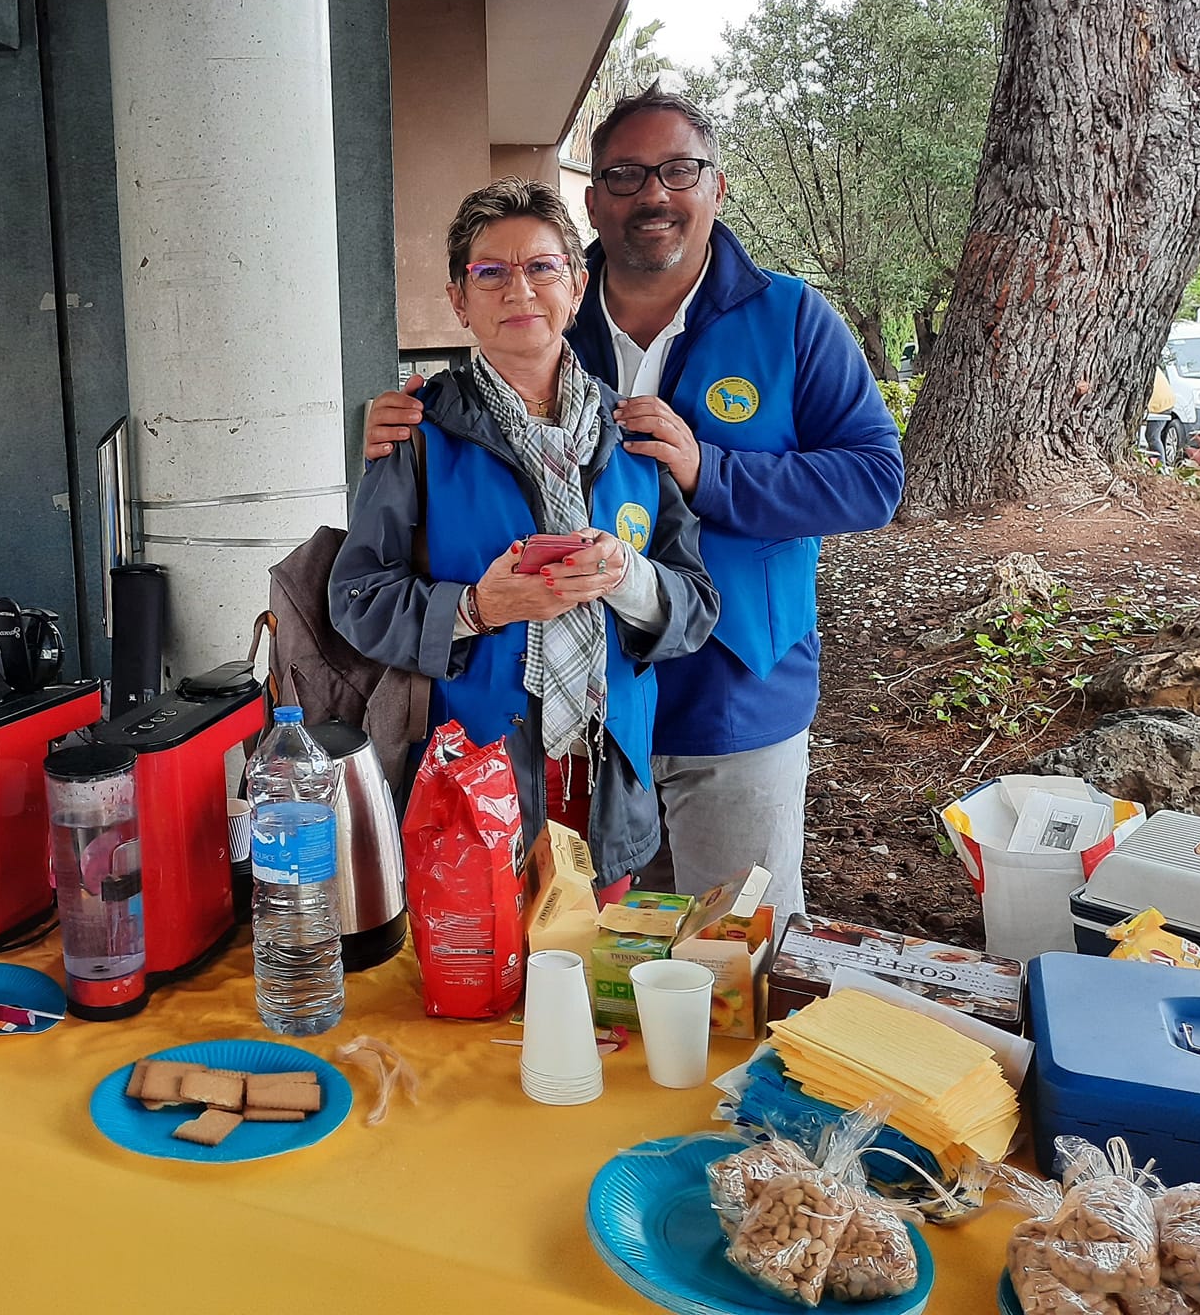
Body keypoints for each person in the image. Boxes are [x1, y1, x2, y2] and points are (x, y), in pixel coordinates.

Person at [364, 87, 902, 916]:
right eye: (624, 174)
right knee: (604, 958)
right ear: (593, 200)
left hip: (733, 692)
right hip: (566, 718)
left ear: (715, 187)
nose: (653, 193)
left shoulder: (790, 318)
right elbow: (398, 550)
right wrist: (397, 430)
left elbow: (875, 480)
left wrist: (708, 471)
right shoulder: (545, 320)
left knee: (734, 949)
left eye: (678, 170)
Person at [331, 178, 719, 888]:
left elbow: (694, 603)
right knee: (479, 988)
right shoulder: (419, 434)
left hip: (604, 782)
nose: (520, 291)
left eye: (542, 267)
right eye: (490, 273)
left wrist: (627, 578)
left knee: (583, 986)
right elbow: (357, 598)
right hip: (471, 783)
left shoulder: (633, 431)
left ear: (576, 286)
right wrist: (478, 609)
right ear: (458, 299)